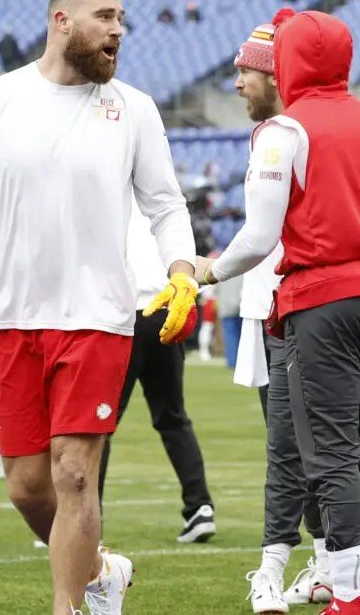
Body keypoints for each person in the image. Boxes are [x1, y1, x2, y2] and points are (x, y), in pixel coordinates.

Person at [0, 0, 198, 615]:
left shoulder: (134, 109)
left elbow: (165, 203)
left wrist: (182, 271)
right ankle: (102, 569)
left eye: (123, 18)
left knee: (75, 474)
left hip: (98, 319)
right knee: (30, 488)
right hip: (7, 321)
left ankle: (70, 607)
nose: (118, 29)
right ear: (61, 21)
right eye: (105, 16)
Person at [195, 9, 360, 615]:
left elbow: (256, 239)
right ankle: (358, 583)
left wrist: (205, 272)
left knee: (325, 457)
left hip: (319, 301)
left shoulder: (284, 131)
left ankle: (349, 597)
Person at [228, 16, 331, 612]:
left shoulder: (288, 134)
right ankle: (323, 559)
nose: (238, 80)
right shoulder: (272, 132)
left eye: (247, 70)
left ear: (274, 74)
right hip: (264, 304)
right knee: (293, 442)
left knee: (297, 447)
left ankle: (290, 563)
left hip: (290, 306)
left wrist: (208, 269)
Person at [96, 207, 216, 544]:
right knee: (173, 417)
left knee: (98, 424)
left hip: (124, 317)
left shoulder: (105, 198)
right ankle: (199, 506)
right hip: (166, 310)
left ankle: (84, 516)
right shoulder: (163, 207)